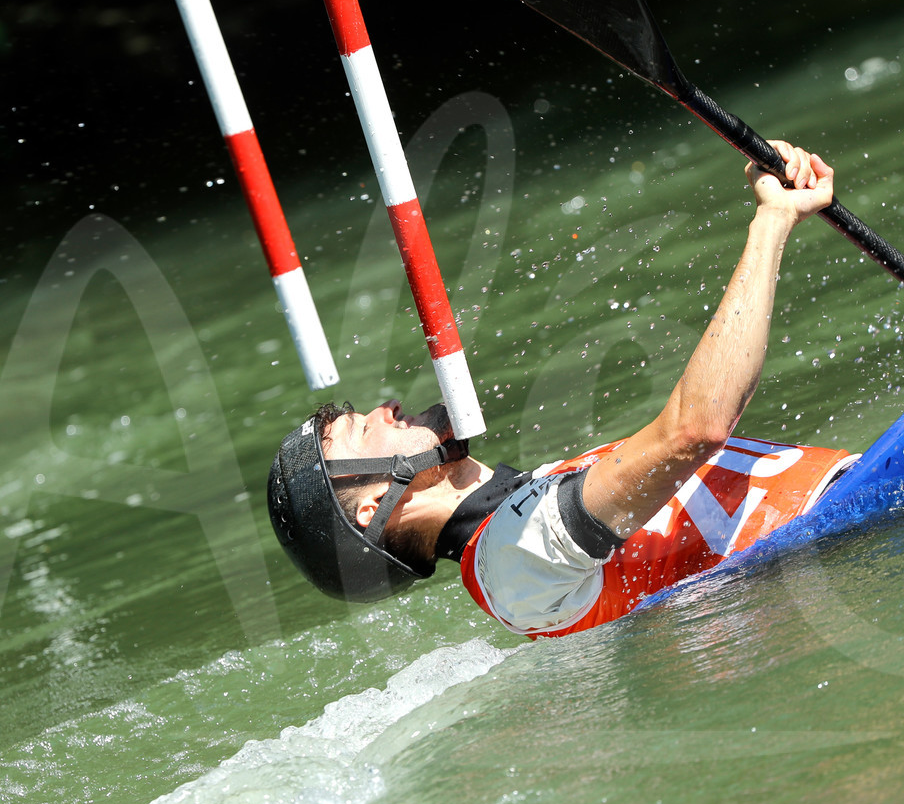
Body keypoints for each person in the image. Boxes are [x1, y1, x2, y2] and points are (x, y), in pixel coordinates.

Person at [268, 142, 858, 637]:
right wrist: (772, 220)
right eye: (360, 429)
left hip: (856, 515)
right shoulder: (512, 561)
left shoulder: (530, 507)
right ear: (371, 507)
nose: (386, 407)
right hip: (855, 541)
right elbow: (694, 430)